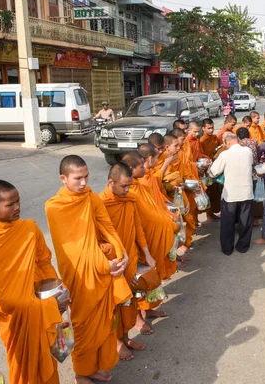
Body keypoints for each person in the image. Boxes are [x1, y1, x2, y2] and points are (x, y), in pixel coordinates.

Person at [45, 155, 132, 384]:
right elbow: (74, 250)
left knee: (104, 322)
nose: (83, 183)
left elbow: (106, 226)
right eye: (77, 178)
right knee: (83, 325)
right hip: (80, 274)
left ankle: (94, 367)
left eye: (86, 177)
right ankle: (81, 373)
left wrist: (121, 253)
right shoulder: (55, 207)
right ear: (63, 178)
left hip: (102, 269)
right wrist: (106, 264)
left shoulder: (91, 197)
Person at [0, 180, 68, 384]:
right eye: (10, 205)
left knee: (48, 365)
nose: (17, 208)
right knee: (27, 372)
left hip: (41, 304)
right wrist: (46, 306)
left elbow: (44, 262)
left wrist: (56, 291)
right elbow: (2, 300)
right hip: (18, 321)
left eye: (18, 201)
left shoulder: (29, 228)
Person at [100, 163, 155, 360]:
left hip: (130, 258)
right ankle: (117, 342)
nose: (127, 190)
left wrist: (147, 253)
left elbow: (137, 227)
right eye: (124, 186)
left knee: (129, 303)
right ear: (110, 182)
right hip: (113, 264)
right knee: (115, 307)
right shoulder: (100, 204)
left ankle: (125, 336)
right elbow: (95, 240)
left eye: (129, 186)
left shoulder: (130, 200)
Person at [121, 151, 178, 328]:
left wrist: (167, 220)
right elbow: (142, 218)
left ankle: (149, 308)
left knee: (151, 276)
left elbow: (153, 208)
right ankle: (138, 317)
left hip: (150, 237)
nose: (144, 168)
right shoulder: (128, 191)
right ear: (131, 169)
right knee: (140, 279)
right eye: (140, 166)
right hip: (138, 241)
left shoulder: (139, 186)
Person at [209, 132, 254, 255]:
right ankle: (243, 246)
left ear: (227, 143)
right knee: (245, 220)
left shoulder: (225, 154)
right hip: (246, 191)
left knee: (227, 222)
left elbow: (213, 172)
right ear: (237, 140)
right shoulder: (248, 151)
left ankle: (227, 248)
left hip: (231, 194)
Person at [200, 119, 222, 221]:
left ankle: (214, 211)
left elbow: (219, 149)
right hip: (205, 170)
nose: (211, 130)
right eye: (208, 128)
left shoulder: (215, 138)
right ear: (203, 128)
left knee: (216, 191)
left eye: (212, 128)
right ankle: (208, 214)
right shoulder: (201, 141)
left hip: (215, 167)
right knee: (208, 191)